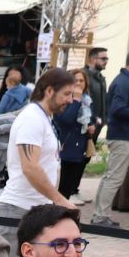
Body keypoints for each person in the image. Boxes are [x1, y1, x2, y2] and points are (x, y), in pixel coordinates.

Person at [0, 67, 79, 220]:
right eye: (67, 94)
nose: (70, 100)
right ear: (49, 91)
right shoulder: (32, 119)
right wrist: (60, 200)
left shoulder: (44, 117)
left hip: (34, 210)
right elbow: (30, 168)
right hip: (18, 209)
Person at [90, 45, 129, 226]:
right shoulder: (124, 83)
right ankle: (100, 217)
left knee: (110, 176)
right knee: (114, 178)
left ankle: (99, 215)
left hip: (123, 135)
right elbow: (117, 110)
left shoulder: (126, 80)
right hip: (123, 136)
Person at [53, 70, 95, 204]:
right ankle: (58, 210)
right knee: (63, 184)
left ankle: (65, 205)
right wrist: (76, 99)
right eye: (75, 80)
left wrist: (91, 125)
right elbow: (66, 120)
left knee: (70, 183)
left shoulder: (87, 100)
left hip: (80, 146)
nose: (78, 83)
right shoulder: (64, 99)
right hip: (67, 145)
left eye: (81, 81)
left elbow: (89, 118)